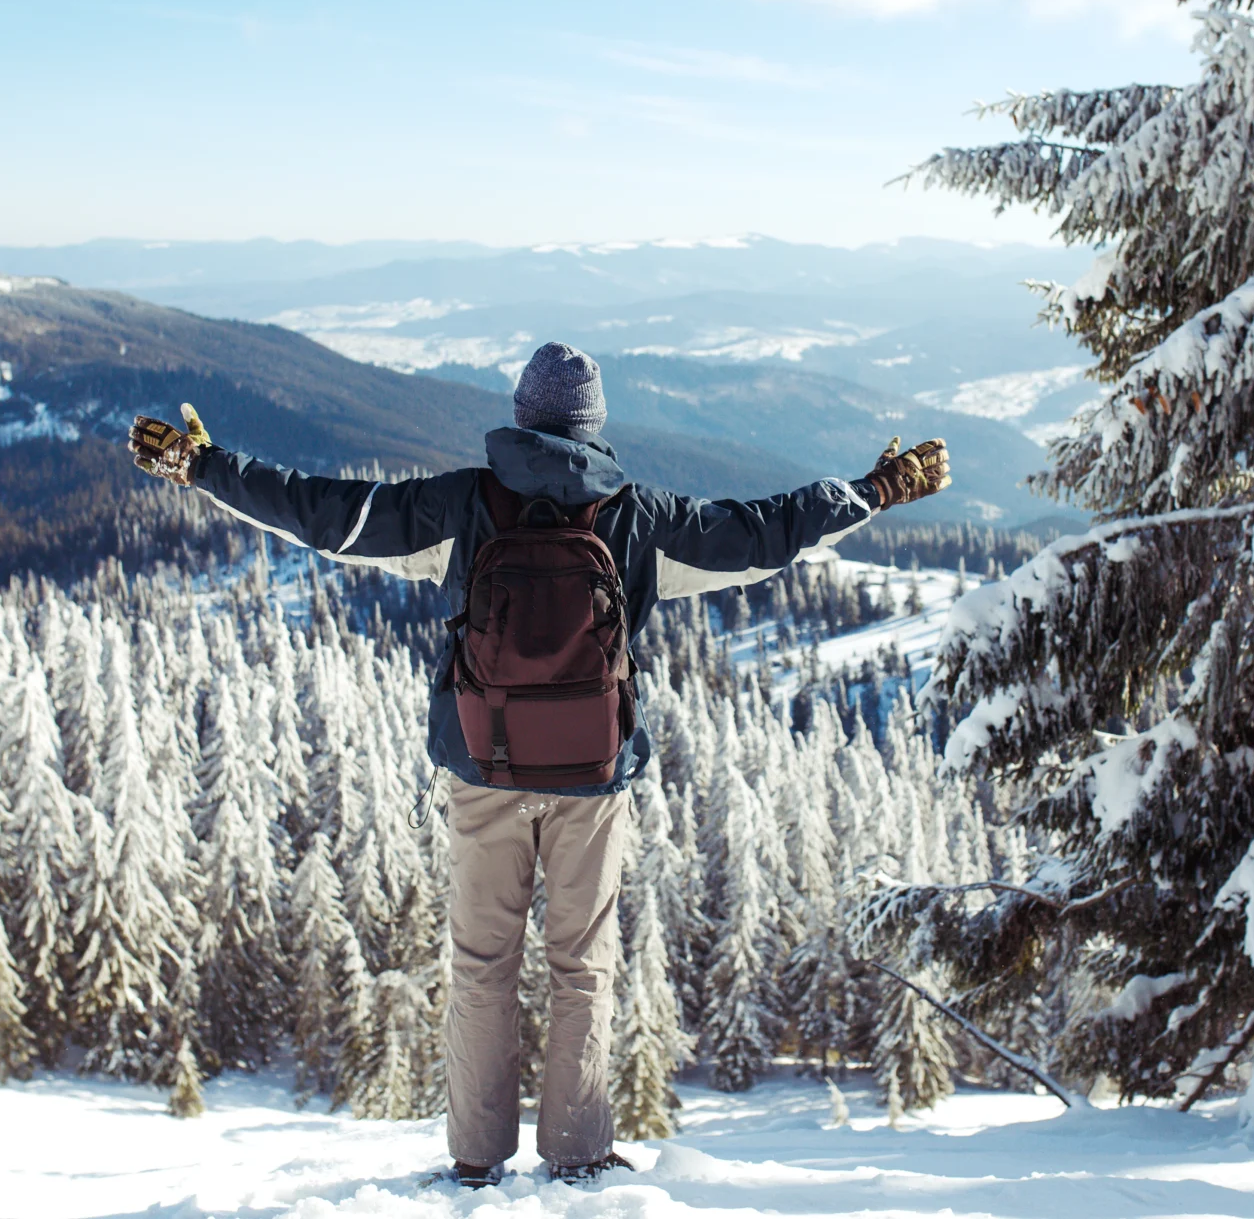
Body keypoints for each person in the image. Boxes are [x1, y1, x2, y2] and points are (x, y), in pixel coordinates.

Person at [128, 342, 950, 1185]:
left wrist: (206, 466)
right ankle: (578, 1154)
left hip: (485, 768)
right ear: (594, 426)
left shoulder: (462, 503)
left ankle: (479, 1158)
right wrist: (876, 489)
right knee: (581, 966)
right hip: (592, 778)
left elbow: (325, 513)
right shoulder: (638, 514)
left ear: (522, 413)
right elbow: (764, 531)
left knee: (483, 964)